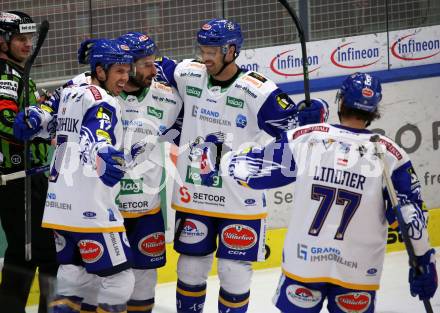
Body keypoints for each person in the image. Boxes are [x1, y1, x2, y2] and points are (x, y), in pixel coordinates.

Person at [224, 73, 438, 312]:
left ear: (341, 102)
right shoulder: (391, 154)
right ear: (375, 110)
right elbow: (410, 219)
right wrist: (424, 261)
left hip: (304, 264)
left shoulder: (308, 137)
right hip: (358, 269)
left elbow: (250, 172)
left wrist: (220, 156)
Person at [157, 18, 327, 313]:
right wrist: (105, 55)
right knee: (189, 271)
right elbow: (147, 65)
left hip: (240, 200)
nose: (205, 56)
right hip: (195, 197)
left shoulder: (258, 90)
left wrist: (315, 116)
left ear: (232, 50)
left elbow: (296, 130)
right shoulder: (188, 74)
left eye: (212, 50)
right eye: (203, 49)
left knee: (234, 274)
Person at [36, 38, 134, 313]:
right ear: (100, 71)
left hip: (60, 207)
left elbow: (48, 124)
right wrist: (103, 154)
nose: (125, 78)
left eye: (127, 71)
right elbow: (97, 134)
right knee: (120, 281)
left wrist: (34, 119)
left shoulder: (72, 92)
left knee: (72, 275)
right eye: (118, 71)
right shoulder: (104, 101)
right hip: (92, 210)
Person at [109, 31, 183, 313]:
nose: (155, 69)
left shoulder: (170, 99)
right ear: (128, 66)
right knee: (102, 282)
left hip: (147, 209)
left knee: (144, 281)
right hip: (105, 212)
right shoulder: (99, 96)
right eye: (148, 64)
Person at [0, 11, 58, 313]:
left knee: (28, 254)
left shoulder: (19, 74)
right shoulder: (5, 76)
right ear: (3, 41)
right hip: (16, 180)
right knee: (42, 254)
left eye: (29, 38)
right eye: (20, 38)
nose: (27, 44)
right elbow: (7, 122)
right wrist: (38, 126)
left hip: (29, 177)